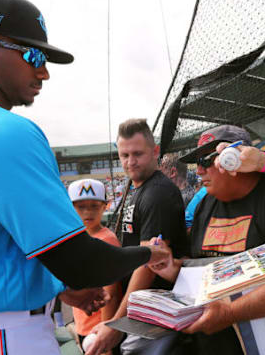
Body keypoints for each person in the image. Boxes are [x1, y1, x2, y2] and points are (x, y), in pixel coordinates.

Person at [0, 0, 170, 355]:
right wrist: (146, 253)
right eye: (31, 55)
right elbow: (83, 264)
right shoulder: (1, 130)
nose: (42, 71)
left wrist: (54, 286)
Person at [141, 125, 265, 355]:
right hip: (216, 343)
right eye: (196, 163)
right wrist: (172, 269)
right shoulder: (205, 204)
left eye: (206, 160)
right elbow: (205, 276)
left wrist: (231, 312)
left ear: (235, 159)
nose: (199, 171)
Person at [95, 118, 189, 353]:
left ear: (155, 151)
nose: (131, 162)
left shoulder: (157, 193)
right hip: (141, 311)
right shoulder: (138, 187)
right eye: (124, 155)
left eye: (138, 153)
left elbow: (149, 264)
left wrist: (117, 322)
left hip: (154, 313)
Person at [67, 179, 123, 346]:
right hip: (84, 325)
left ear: (105, 206)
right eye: (81, 207)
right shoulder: (76, 239)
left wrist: (106, 333)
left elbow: (110, 295)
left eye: (94, 206)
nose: (87, 212)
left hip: (98, 329)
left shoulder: (106, 240)